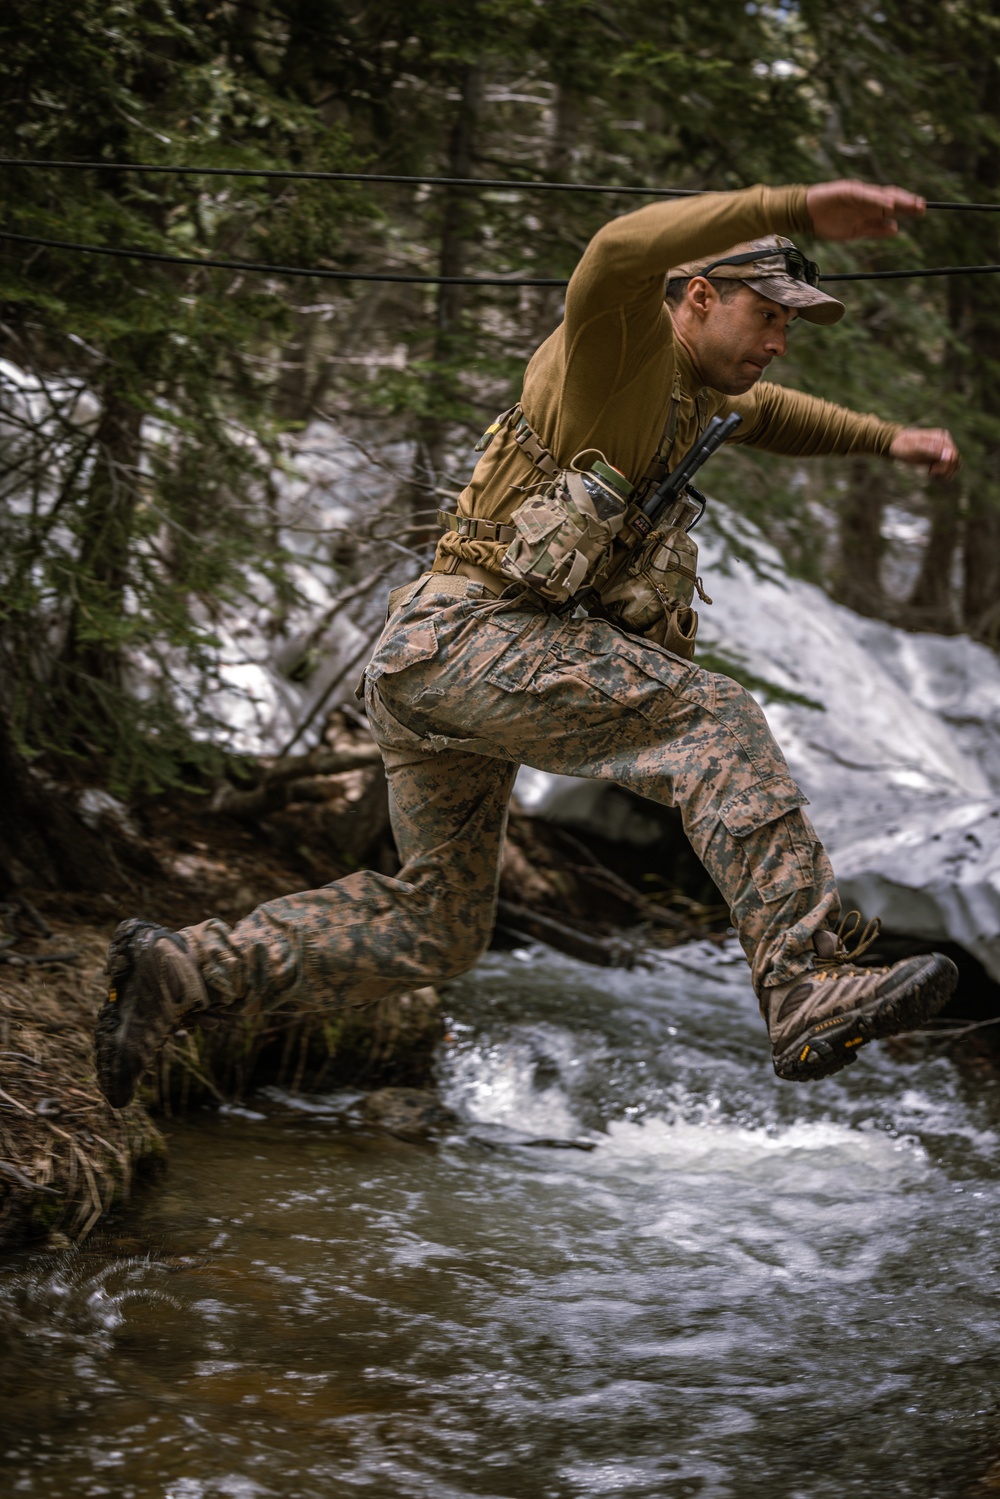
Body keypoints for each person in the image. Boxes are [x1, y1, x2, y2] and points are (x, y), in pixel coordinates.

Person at [95, 177, 962, 1109]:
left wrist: (890, 441)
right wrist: (790, 205)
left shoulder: (689, 397)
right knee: (713, 720)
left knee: (439, 925)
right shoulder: (618, 344)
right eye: (767, 315)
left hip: (438, 669)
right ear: (699, 297)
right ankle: (805, 980)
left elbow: (783, 417)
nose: (779, 342)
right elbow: (620, 248)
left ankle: (179, 970)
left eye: (789, 328)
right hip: (467, 639)